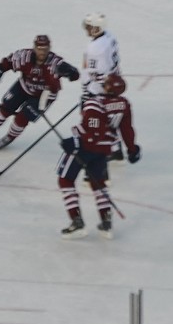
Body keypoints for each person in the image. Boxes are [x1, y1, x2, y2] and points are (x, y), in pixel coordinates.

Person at [0, 35, 79, 150]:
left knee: (22, 118)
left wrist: (71, 73)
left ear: (49, 48)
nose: (42, 52)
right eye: (39, 48)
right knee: (4, 110)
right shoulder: (24, 56)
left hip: (44, 95)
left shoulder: (56, 63)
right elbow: (6, 63)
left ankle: (9, 137)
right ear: (34, 48)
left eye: (45, 49)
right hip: (24, 87)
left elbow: (74, 74)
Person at [55, 83, 128, 240]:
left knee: (65, 180)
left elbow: (94, 133)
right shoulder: (122, 104)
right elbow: (122, 129)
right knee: (99, 184)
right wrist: (132, 149)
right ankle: (106, 221)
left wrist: (75, 142)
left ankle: (77, 222)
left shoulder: (93, 105)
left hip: (85, 148)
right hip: (103, 150)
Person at [80, 12, 121, 98]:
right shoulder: (109, 36)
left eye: (89, 27)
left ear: (97, 28)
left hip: (99, 90)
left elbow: (93, 73)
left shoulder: (95, 48)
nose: (86, 29)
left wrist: (86, 89)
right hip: (113, 81)